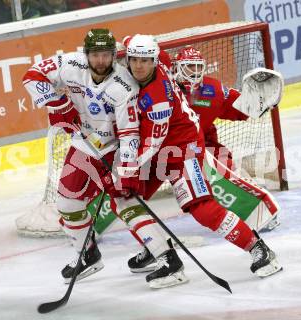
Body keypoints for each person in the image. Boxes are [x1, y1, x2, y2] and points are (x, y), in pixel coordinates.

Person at [22, 28, 184, 289]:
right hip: (84, 143)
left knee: (123, 202)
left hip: (114, 148)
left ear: (113, 55)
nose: (101, 61)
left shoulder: (124, 85)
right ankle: (88, 254)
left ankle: (168, 258)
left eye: (106, 55)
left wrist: (128, 171)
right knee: (67, 203)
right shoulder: (70, 64)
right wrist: (57, 104)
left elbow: (130, 132)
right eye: (95, 54)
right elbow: (32, 75)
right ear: (86, 54)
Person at [123, 34, 282, 280]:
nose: (139, 65)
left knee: (202, 208)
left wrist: (259, 102)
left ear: (156, 61)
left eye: (145, 60)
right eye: (134, 59)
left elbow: (241, 109)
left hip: (182, 153)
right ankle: (156, 248)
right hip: (156, 152)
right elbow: (133, 40)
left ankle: (259, 249)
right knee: (127, 201)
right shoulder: (155, 61)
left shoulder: (185, 93)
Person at [172, 45, 249, 170]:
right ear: (177, 68)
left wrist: (255, 102)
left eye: (198, 66)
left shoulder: (214, 89)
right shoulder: (165, 89)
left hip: (201, 144)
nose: (195, 71)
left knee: (227, 167)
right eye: (190, 66)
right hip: (167, 146)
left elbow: (238, 106)